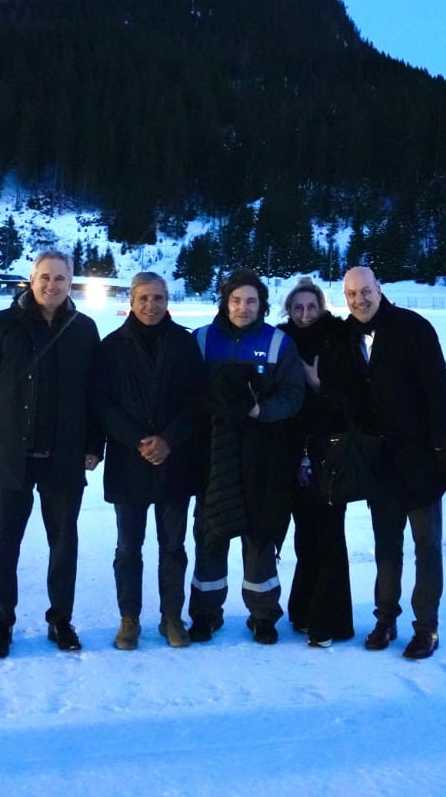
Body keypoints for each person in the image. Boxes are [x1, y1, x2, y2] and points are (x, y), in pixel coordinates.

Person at [0, 249, 102, 659]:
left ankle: (60, 620)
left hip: (64, 456)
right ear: (31, 280)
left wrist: (93, 445)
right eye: (45, 277)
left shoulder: (84, 329)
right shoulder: (3, 324)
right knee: (4, 543)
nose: (51, 285)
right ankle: (2, 623)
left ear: (70, 283)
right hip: (10, 455)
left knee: (63, 543)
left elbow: (97, 393)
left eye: (60, 278)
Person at [331, 265, 446, 660]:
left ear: (379, 289)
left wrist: (443, 449)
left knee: (427, 545)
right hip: (379, 461)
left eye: (365, 291)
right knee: (386, 547)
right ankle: (385, 619)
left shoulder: (413, 328)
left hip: (422, 460)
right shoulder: (345, 336)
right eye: (351, 294)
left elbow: (440, 393)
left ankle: (427, 627)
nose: (359, 300)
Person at [90, 272, 208, 650]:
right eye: (143, 298)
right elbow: (102, 403)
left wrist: (169, 440)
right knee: (128, 548)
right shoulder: (112, 346)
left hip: (175, 461)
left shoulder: (185, 344)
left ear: (167, 301)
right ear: (131, 300)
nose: (150, 305)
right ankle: (130, 618)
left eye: (158, 298)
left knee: (173, 547)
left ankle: (171, 616)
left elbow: (197, 400)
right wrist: (138, 440)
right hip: (129, 462)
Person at [187, 268, 305, 644]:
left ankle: (264, 614)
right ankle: (206, 612)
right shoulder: (202, 339)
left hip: (262, 454)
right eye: (236, 300)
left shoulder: (279, 343)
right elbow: (185, 391)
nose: (243, 308)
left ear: (262, 305)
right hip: (212, 452)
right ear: (225, 302)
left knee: (259, 532)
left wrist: (261, 411)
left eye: (251, 301)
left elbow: (293, 395)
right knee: (211, 530)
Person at [278, 277, 356, 647]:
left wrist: (317, 383)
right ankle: (303, 611)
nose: (305, 314)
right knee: (305, 536)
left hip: (331, 452)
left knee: (329, 535)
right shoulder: (281, 341)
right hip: (293, 452)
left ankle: (329, 620)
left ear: (322, 307)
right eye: (298, 307)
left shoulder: (338, 341)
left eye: (311, 307)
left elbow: (351, 404)